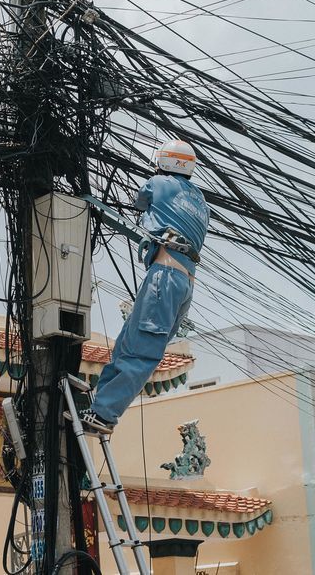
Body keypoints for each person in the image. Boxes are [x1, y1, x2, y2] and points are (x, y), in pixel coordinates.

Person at [82, 139, 209, 434]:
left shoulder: (158, 183)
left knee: (139, 351)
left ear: (164, 162)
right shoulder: (200, 200)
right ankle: (100, 403)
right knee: (129, 344)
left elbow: (141, 200)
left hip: (164, 278)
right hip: (184, 285)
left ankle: (104, 414)